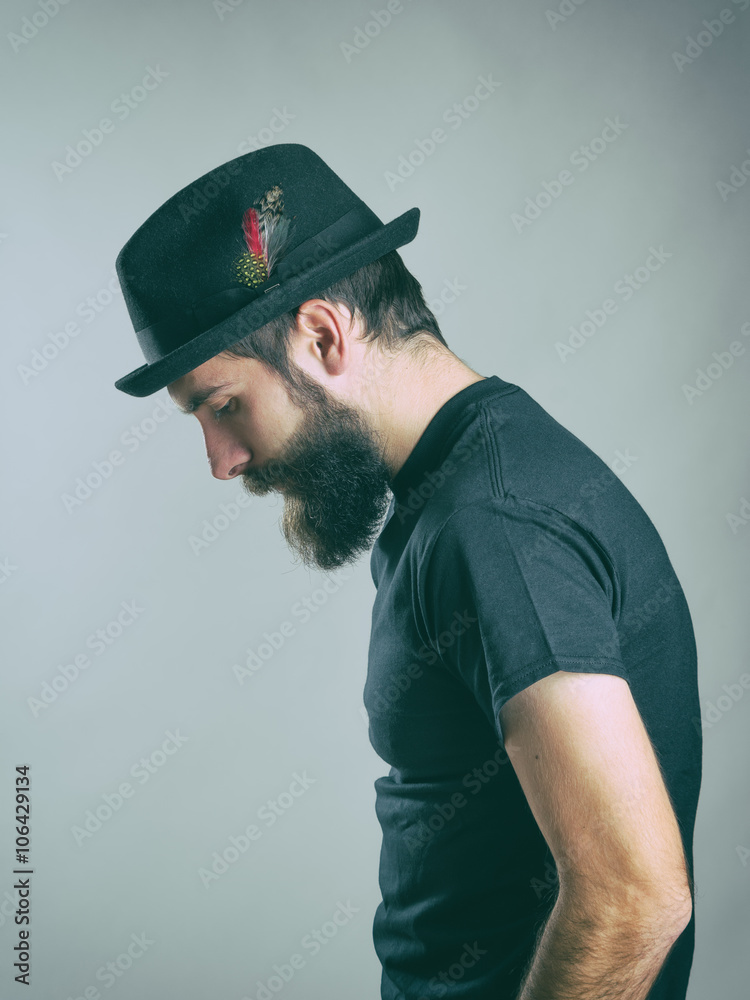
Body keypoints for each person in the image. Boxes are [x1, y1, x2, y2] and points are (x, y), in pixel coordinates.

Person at [113, 144, 702, 999]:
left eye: (223, 405)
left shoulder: (493, 524)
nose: (221, 459)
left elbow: (634, 898)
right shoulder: (458, 490)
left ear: (322, 335)